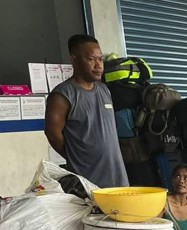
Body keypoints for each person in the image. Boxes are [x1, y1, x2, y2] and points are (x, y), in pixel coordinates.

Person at [44, 34, 128, 188]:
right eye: (91, 59)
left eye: (100, 59)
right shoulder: (62, 96)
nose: (99, 65)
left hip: (117, 177)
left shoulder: (104, 90)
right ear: (74, 61)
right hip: (88, 182)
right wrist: (77, 157)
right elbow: (52, 133)